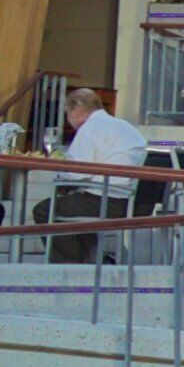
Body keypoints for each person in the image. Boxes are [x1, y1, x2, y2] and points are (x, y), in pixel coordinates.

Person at [49, 86, 147, 261]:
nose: (68, 119)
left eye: (67, 113)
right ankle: (92, 259)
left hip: (105, 199)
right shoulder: (126, 127)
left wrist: (59, 172)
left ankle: (72, 264)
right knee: (72, 209)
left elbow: (77, 173)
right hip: (133, 199)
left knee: (45, 210)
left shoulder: (90, 129)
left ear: (76, 108)